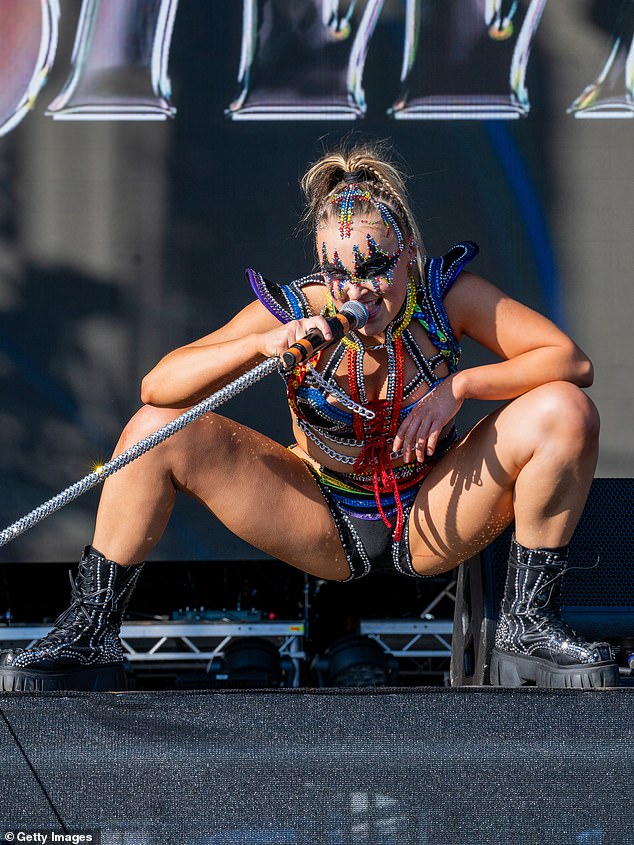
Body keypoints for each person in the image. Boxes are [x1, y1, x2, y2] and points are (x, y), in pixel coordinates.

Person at [0, 141, 618, 692]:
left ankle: (528, 627)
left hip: (434, 509)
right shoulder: (300, 308)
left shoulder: (444, 294)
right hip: (323, 515)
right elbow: (158, 385)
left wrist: (460, 384)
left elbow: (571, 361)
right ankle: (89, 633)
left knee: (564, 408)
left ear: (407, 251)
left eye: (376, 268)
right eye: (340, 272)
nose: (360, 291)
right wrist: (260, 344)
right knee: (152, 430)